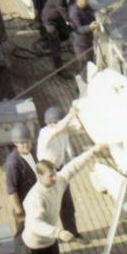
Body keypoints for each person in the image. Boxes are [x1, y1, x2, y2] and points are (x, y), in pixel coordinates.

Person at [37, 104, 89, 243]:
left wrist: (79, 113)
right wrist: (71, 113)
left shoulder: (62, 130)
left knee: (67, 205)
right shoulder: (45, 133)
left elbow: (78, 128)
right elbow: (61, 127)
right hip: (45, 174)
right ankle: (46, 237)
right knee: (47, 207)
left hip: (58, 171)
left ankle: (72, 234)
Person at [4, 123, 37, 254]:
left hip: (35, 202)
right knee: (22, 235)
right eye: (22, 143)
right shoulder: (13, 164)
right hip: (23, 206)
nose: (26, 146)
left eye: (27, 142)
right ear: (15, 144)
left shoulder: (33, 153)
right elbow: (11, 190)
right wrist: (19, 212)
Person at [41, 0, 76, 74]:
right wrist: (74, 22)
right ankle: (59, 69)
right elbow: (64, 12)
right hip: (50, 20)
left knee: (66, 34)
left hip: (58, 19)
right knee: (55, 42)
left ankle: (54, 44)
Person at [68, 0, 99, 76]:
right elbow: (78, 29)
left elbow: (91, 13)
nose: (86, 0)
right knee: (85, 66)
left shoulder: (86, 6)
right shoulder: (74, 12)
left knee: (91, 63)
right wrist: (90, 27)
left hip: (88, 41)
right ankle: (85, 80)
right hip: (80, 44)